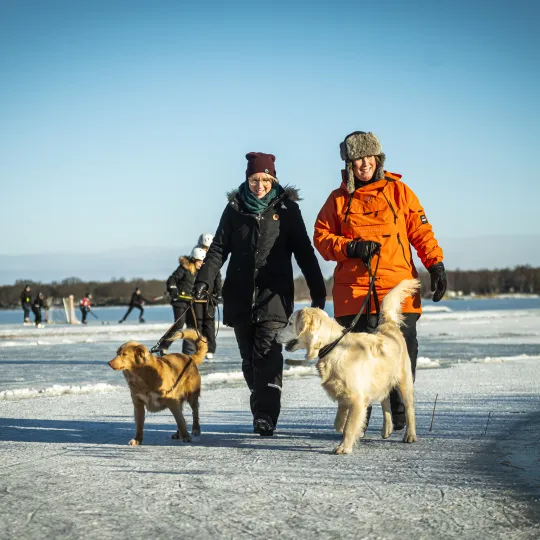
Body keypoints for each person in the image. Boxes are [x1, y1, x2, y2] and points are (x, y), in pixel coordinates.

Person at [314, 130, 447, 431]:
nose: (364, 163)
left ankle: (400, 410)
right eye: (358, 158)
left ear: (378, 158)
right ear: (349, 163)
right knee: (354, 356)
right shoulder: (337, 200)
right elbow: (321, 238)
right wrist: (350, 247)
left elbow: (421, 232)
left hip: (397, 287)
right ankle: (358, 417)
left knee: (403, 349)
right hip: (354, 292)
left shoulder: (400, 192)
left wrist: (435, 264)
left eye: (369, 157)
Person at [194, 152, 327, 437]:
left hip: (274, 295)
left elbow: (304, 250)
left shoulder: (288, 210)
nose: (260, 185)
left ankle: (265, 415)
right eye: (255, 179)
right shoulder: (234, 209)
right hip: (240, 294)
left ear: (273, 179)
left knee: (268, 354)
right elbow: (218, 249)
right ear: (247, 179)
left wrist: (318, 289)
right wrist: (204, 280)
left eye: (265, 179)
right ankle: (262, 405)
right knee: (249, 360)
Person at [152, 247, 207, 355]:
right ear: (193, 259)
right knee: (179, 325)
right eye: (199, 261)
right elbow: (171, 279)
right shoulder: (184, 269)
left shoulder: (199, 273)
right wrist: (173, 289)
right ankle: (162, 346)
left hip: (191, 302)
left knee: (192, 326)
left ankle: (188, 351)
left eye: (202, 261)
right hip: (179, 301)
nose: (201, 263)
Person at [196, 232, 223, 359]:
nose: (206, 250)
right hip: (198, 297)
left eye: (208, 248)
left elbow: (217, 277)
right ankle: (200, 347)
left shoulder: (213, 259)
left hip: (209, 297)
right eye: (204, 247)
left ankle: (211, 348)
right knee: (198, 324)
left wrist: (219, 292)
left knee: (209, 324)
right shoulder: (196, 256)